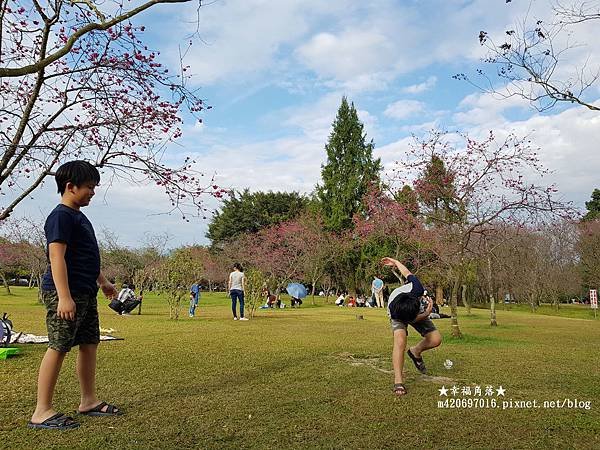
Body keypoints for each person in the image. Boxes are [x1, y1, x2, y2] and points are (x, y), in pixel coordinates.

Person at [29, 161, 121, 430]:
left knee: (89, 343)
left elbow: (84, 258)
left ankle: (88, 401)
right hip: (66, 294)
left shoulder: (79, 216)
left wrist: (103, 282)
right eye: (90, 187)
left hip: (85, 292)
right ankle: (41, 411)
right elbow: (56, 256)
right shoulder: (61, 216)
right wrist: (64, 296)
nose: (93, 192)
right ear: (70, 187)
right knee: (59, 346)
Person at [381, 257, 442, 398]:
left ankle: (415, 352)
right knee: (400, 341)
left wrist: (396, 262)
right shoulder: (394, 310)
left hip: (416, 309)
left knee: (436, 339)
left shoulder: (417, 288)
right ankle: (398, 381)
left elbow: (407, 272)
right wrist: (426, 313)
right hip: (401, 314)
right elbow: (409, 318)